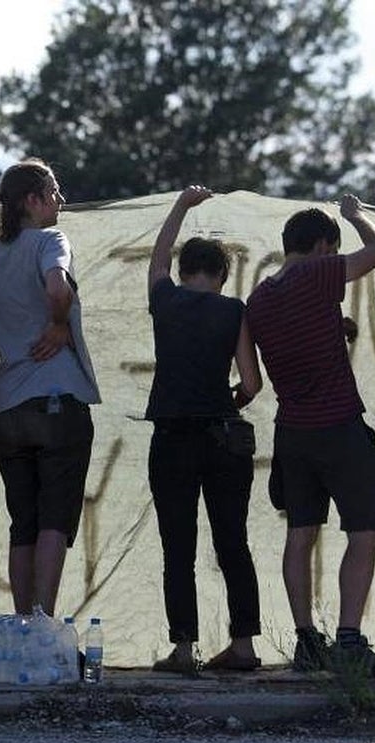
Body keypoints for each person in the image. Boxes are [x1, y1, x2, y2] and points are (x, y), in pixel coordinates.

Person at [246, 195, 375, 676]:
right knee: (366, 530)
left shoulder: (260, 298)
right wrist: (356, 216)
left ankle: (306, 640)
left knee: (300, 533)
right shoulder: (315, 274)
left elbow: (270, 366)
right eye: (332, 252)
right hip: (339, 429)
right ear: (321, 248)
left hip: (293, 433)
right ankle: (350, 641)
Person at [143, 187, 263, 674]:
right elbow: (252, 382)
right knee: (232, 542)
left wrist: (180, 207)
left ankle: (185, 649)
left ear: (184, 269)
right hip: (223, 437)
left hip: (172, 438)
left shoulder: (165, 300)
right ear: (221, 276)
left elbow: (155, 259)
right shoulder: (234, 311)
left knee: (179, 546)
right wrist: (231, 397)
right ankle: (244, 646)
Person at [0, 159, 101, 616]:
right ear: (33, 200)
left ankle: (21, 619)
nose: (61, 201)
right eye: (54, 192)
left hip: (10, 406)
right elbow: (56, 286)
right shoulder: (51, 240)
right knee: (54, 520)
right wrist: (57, 323)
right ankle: (44, 624)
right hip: (56, 399)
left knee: (22, 525)